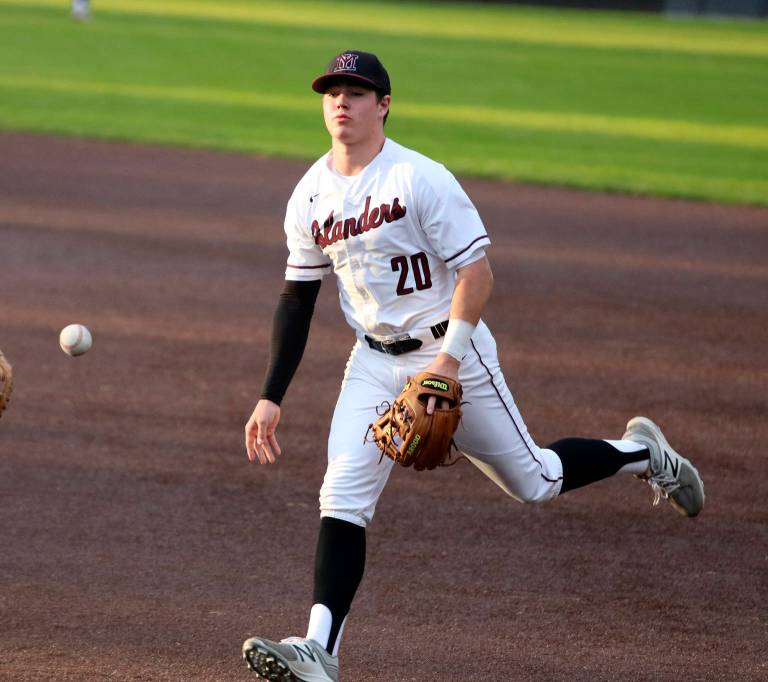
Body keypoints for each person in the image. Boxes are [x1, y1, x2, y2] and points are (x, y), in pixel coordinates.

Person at [240, 50, 705, 682]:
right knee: (341, 497)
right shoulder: (309, 196)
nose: (341, 102)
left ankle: (644, 454)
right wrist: (272, 395)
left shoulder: (420, 178)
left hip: (453, 351)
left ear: (384, 104)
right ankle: (319, 649)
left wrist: (450, 364)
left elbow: (476, 274)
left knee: (534, 480)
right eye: (331, 92)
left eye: (356, 91)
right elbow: (297, 298)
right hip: (372, 363)